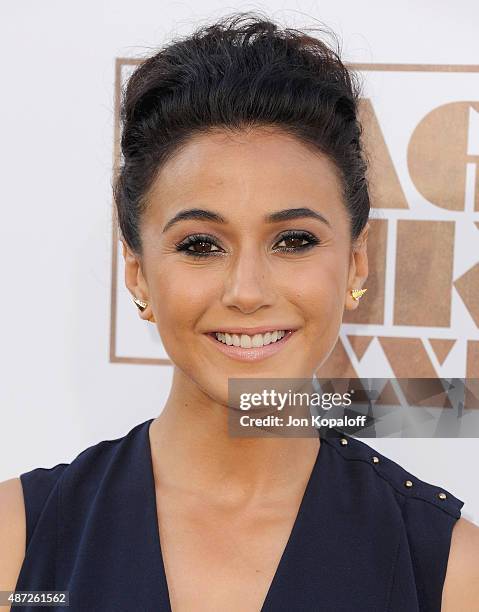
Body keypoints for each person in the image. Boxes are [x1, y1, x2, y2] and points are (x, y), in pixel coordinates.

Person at [1, 11, 478, 612]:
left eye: (294, 241)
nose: (247, 291)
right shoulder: (16, 544)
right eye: (200, 244)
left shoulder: (450, 572)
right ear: (138, 273)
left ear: (357, 262)